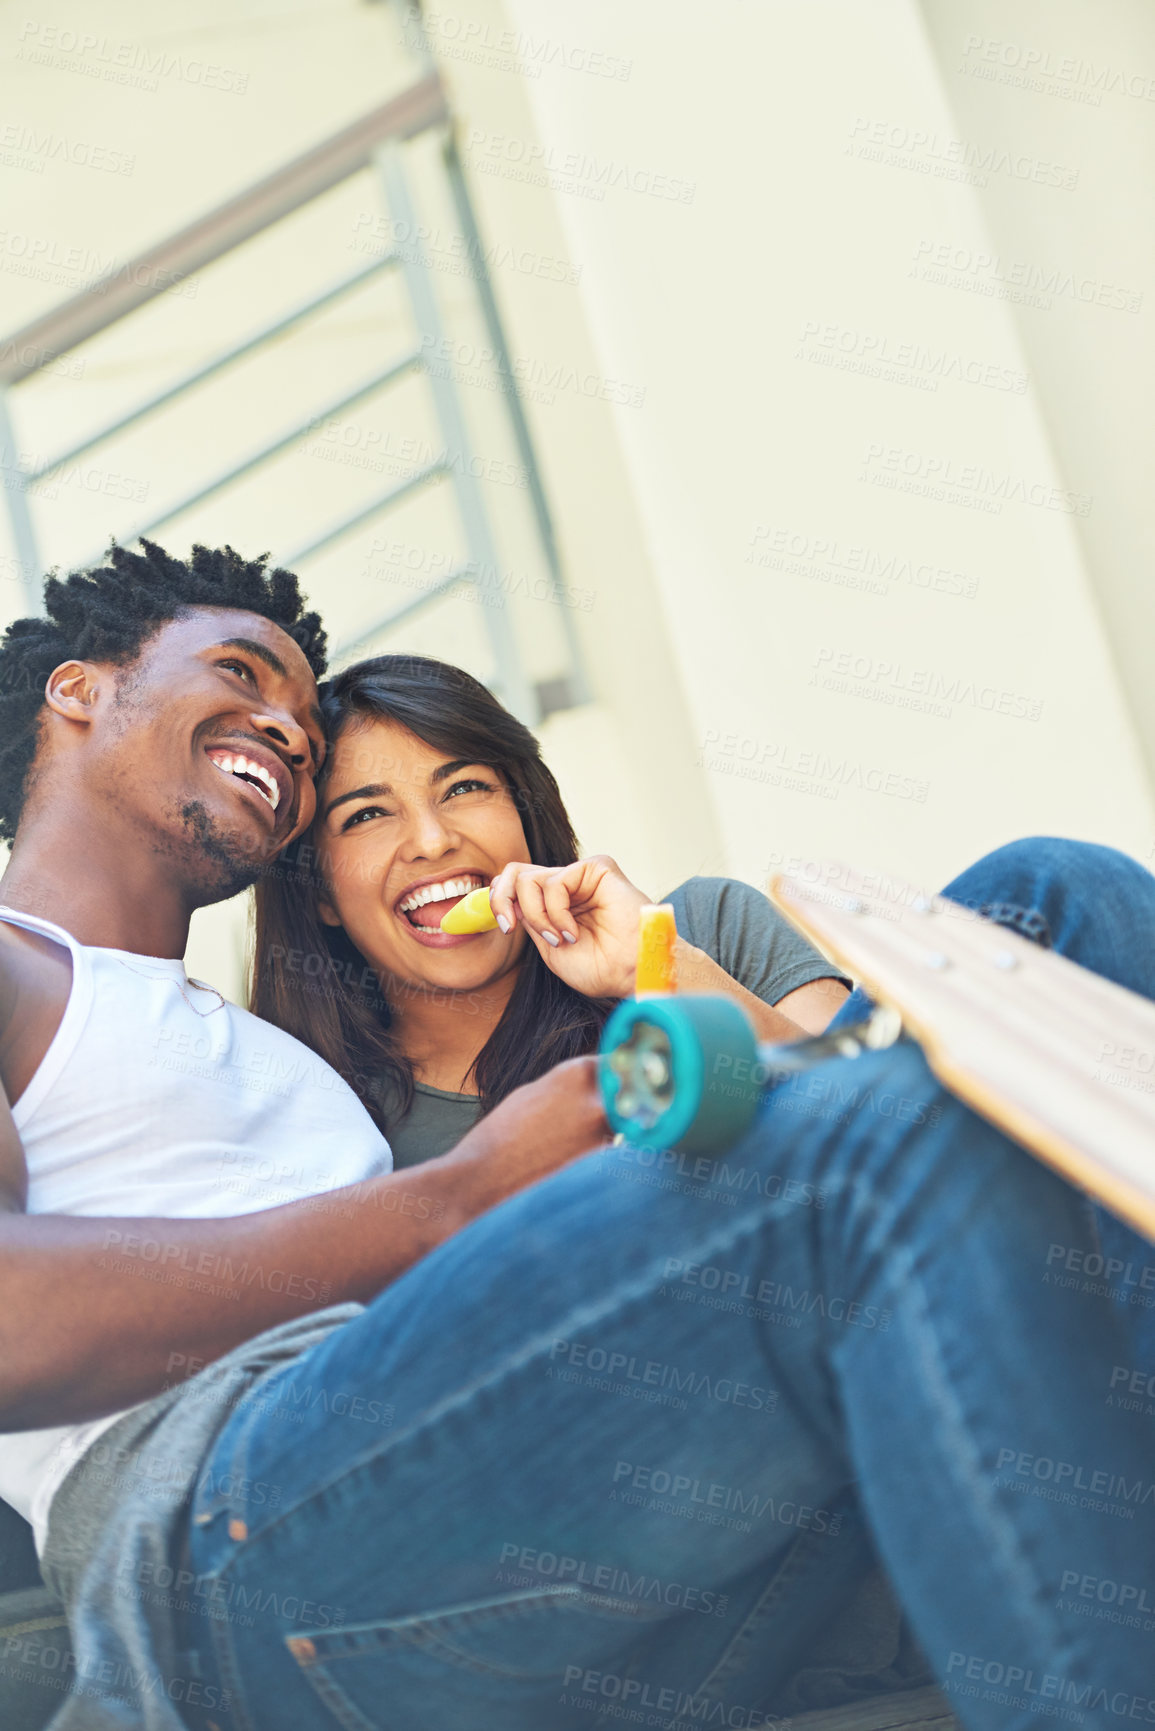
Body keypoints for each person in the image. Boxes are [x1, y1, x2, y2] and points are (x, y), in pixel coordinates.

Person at [0, 542, 1151, 1731]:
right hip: (222, 1550)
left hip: (517, 1534)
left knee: (1055, 900)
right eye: (243, 675)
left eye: (301, 714)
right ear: (79, 690)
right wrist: (460, 1198)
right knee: (867, 1132)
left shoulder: (272, 1053)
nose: (288, 729)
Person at [251, 653, 850, 1166]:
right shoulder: (328, 1125)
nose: (433, 840)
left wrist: (659, 966)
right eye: (367, 815)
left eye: (464, 788)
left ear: (524, 815)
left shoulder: (705, 927)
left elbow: (892, 1126)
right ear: (320, 891)